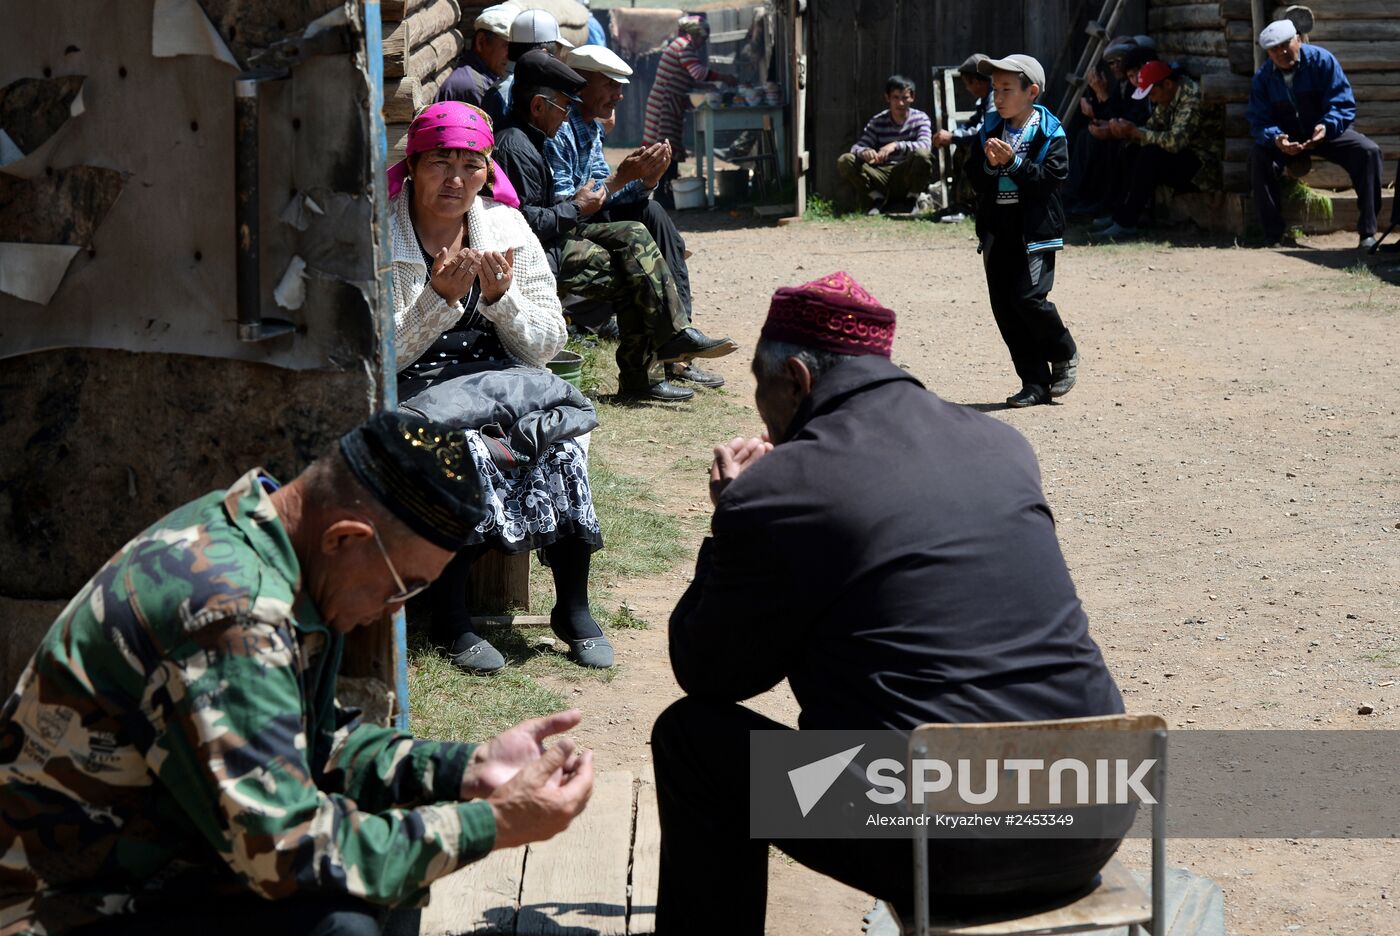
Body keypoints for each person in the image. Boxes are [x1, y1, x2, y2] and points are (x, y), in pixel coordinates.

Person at [651, 272, 1127, 936]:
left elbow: (710, 673)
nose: (763, 415)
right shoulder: (1002, 444)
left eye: (762, 391)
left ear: (795, 379)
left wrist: (733, 515)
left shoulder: (784, 485)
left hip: (941, 843)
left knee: (694, 739)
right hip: (1092, 814)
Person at [0, 412, 595, 936]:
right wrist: (491, 824)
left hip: (155, 865)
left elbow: (312, 743)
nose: (396, 611)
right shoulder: (231, 613)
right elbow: (286, 853)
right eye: (404, 587)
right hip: (63, 908)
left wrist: (464, 769)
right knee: (338, 915)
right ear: (345, 538)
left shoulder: (263, 538)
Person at [388, 100, 613, 672]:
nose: (456, 179)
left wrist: (499, 299)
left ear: (489, 170)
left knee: (559, 441)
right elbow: (376, 358)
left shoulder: (507, 227)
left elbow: (546, 343)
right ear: (412, 165)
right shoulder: (379, 236)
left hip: (500, 381)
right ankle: (452, 617)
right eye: (440, 162)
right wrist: (436, 302)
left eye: (472, 164)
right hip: (414, 388)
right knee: (465, 454)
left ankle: (573, 604)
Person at [495, 51, 736, 403]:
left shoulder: (534, 138)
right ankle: (663, 350)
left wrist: (643, 181)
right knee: (632, 258)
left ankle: (658, 359)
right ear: (537, 107)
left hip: (556, 240)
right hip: (541, 256)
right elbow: (529, 223)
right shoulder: (518, 147)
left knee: (645, 225)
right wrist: (596, 193)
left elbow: (573, 202)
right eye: (563, 106)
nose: (566, 116)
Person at [547, 44, 724, 390]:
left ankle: (680, 344)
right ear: (581, 83)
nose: (619, 96)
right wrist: (620, 179)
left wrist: (647, 179)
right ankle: (673, 348)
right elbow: (566, 205)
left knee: (653, 212)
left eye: (620, 87)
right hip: (565, 229)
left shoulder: (590, 127)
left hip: (589, 220)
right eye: (610, 85)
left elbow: (606, 193)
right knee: (637, 236)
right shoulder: (560, 128)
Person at [969, 54, 1077, 408]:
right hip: (998, 230)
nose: (997, 97)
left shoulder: (1049, 130)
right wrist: (987, 164)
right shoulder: (988, 128)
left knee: (1029, 299)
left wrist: (1012, 162)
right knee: (1005, 307)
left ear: (1031, 91)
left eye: (1006, 89)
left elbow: (1051, 180)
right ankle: (1034, 382)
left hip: (1034, 230)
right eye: (994, 88)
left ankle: (1064, 351)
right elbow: (973, 178)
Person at [1247, 18, 1383, 249]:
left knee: (1368, 152)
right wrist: (1277, 138)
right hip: (1287, 138)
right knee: (1258, 157)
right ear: (1268, 53)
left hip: (1325, 133)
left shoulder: (1322, 61)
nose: (1281, 52)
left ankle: (1368, 233)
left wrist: (1327, 126)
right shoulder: (1263, 78)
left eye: (1285, 44)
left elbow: (1342, 104)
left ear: (1298, 40)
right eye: (1273, 49)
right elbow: (1258, 120)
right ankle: (1273, 235)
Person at [1091, 60, 1221, 239]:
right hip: (1183, 155)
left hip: (1204, 167)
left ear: (1167, 84)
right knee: (1130, 150)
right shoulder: (1169, 94)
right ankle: (1119, 215)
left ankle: (1126, 222)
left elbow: (1176, 141)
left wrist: (1136, 132)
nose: (1151, 99)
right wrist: (1119, 129)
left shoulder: (1192, 97)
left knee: (1150, 156)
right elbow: (1153, 125)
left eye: (1152, 93)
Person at [641, 14, 738, 208]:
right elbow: (698, 73)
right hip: (665, 104)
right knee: (665, 149)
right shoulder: (684, 46)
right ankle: (663, 193)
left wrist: (706, 87)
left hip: (670, 102)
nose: (703, 42)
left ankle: (667, 191)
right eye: (702, 38)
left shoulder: (682, 45)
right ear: (695, 34)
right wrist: (724, 78)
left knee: (669, 148)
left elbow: (689, 77)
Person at [837, 74, 935, 214]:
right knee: (845, 160)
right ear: (887, 98)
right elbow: (856, 148)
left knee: (922, 155)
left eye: (905, 98)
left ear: (912, 98)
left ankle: (912, 199)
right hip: (881, 174)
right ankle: (877, 199)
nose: (900, 103)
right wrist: (865, 152)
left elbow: (925, 146)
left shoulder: (920, 118)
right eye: (896, 97)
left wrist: (896, 145)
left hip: (906, 173)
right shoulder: (878, 120)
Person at [482, 8, 575, 126]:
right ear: (544, 55)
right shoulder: (510, 92)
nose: (560, 61)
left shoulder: (504, 89)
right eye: (558, 54)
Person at [934, 53, 995, 219]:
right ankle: (961, 204)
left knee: (973, 150)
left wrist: (952, 137)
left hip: (1002, 147)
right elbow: (973, 123)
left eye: (967, 84)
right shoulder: (985, 99)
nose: (967, 89)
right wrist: (953, 135)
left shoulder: (995, 96)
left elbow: (984, 130)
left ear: (976, 81)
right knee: (962, 149)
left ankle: (968, 205)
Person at [436, 3, 518, 107]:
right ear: (481, 42)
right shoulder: (472, 88)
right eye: (507, 46)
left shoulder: (485, 78)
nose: (512, 55)